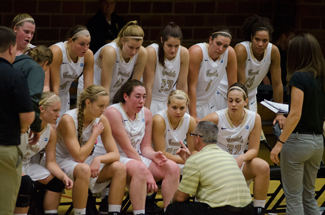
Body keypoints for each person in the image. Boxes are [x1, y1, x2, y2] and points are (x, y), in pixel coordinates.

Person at [100, 79, 180, 214]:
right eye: (137, 97)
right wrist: (148, 172)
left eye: (144, 97)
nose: (142, 101)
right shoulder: (113, 112)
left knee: (172, 167)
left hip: (135, 157)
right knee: (140, 168)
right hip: (113, 158)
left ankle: (170, 211)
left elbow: (145, 148)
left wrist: (153, 155)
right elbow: (127, 149)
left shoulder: (147, 113)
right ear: (125, 96)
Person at [270, 33, 325, 215]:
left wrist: (279, 144)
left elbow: (295, 114)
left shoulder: (298, 78)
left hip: (297, 142)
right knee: (309, 196)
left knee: (293, 197)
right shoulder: (320, 78)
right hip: (317, 143)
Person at [56, 85, 126, 215]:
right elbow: (79, 157)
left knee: (120, 168)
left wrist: (98, 159)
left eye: (105, 106)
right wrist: (94, 134)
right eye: (100, 106)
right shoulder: (68, 119)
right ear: (88, 103)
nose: (104, 110)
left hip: (82, 161)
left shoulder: (102, 120)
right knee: (83, 169)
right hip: (61, 161)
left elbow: (115, 154)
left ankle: (114, 212)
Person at [202, 83, 269, 215]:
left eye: (237, 101)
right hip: (219, 163)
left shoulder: (254, 118)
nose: (233, 104)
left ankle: (259, 209)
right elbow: (195, 132)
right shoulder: (215, 117)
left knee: (263, 166)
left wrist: (241, 158)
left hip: (239, 160)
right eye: (230, 100)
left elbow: (254, 150)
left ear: (245, 101)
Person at [166, 121, 253, 215]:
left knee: (173, 208)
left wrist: (171, 201)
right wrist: (189, 160)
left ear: (197, 139)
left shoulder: (195, 160)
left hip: (223, 211)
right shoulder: (228, 156)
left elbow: (180, 197)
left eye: (192, 135)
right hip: (248, 210)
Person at [15, 92, 73, 215]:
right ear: (41, 109)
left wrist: (64, 177)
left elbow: (51, 162)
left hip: (27, 164)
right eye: (55, 110)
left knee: (57, 182)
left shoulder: (51, 132)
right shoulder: (24, 124)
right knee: (26, 184)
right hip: (12, 164)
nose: (58, 115)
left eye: (59, 111)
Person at [226, 15, 285, 126]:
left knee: (252, 134)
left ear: (269, 40)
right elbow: (241, 84)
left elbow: (277, 84)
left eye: (264, 40)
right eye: (257, 39)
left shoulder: (273, 51)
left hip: (251, 94)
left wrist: (280, 112)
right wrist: (245, 111)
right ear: (251, 37)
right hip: (230, 93)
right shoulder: (241, 50)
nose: (260, 44)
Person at [0, 26, 34, 215]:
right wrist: (21, 130)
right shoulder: (14, 75)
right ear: (12, 48)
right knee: (4, 206)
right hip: (4, 148)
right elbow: (27, 116)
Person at [78, 20, 147, 106]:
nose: (134, 52)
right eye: (131, 47)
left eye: (137, 48)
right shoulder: (110, 51)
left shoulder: (142, 53)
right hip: (95, 89)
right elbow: (105, 88)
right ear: (122, 40)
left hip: (116, 93)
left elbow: (134, 88)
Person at [188, 29, 237, 122]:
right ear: (210, 40)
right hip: (190, 104)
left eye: (225, 46)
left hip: (210, 103)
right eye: (218, 43)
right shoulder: (197, 52)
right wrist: (193, 116)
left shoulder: (230, 53)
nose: (221, 49)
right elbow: (191, 86)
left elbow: (233, 86)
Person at [143, 22, 189, 115]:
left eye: (176, 46)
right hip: (151, 99)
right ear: (162, 40)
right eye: (169, 45)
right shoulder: (152, 52)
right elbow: (148, 86)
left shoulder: (184, 53)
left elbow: (182, 87)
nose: (173, 50)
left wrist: (184, 110)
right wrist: (146, 112)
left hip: (169, 102)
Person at [50, 25, 94, 118]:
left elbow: (88, 88)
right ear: (70, 41)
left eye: (88, 44)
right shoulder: (57, 52)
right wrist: (54, 106)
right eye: (82, 44)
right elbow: (55, 88)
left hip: (65, 94)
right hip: (49, 94)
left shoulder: (88, 55)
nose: (86, 48)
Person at [13, 45, 53, 145]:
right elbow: (32, 98)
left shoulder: (13, 62)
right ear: (46, 63)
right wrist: (36, 127)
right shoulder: (36, 68)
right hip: (12, 125)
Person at [152, 90, 196, 169]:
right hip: (157, 160)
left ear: (187, 106)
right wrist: (187, 160)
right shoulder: (159, 120)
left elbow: (193, 150)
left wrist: (191, 159)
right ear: (167, 105)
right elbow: (160, 152)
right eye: (174, 107)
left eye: (182, 108)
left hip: (178, 160)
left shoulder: (190, 121)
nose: (178, 112)